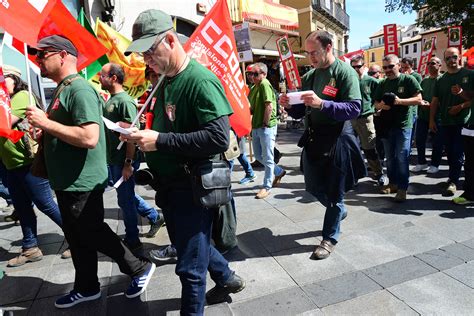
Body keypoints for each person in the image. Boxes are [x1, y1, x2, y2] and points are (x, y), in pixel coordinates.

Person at [122, 10, 245, 314]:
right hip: (170, 187)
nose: (146, 59)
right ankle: (227, 278)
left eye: (151, 51)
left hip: (192, 188)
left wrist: (160, 141)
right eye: (142, 53)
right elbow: (167, 127)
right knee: (189, 245)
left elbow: (218, 138)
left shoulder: (200, 80)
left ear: (170, 39)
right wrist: (140, 136)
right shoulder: (164, 81)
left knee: (189, 270)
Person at [25, 35, 155, 308]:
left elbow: (89, 137)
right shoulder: (63, 89)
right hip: (66, 180)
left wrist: (46, 125)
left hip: (81, 180)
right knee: (77, 237)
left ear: (62, 55)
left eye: (42, 54)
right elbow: (67, 133)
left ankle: (138, 268)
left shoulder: (80, 89)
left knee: (92, 232)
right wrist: (43, 133)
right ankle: (87, 287)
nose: (38, 61)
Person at [280, 30, 365, 260]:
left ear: (328, 48)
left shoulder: (345, 72)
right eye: (307, 54)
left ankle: (329, 238)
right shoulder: (310, 76)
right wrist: (288, 104)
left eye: (314, 52)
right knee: (313, 186)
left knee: (335, 192)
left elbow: (354, 109)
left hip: (338, 137)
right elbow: (300, 111)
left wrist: (323, 104)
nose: (311, 58)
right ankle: (338, 210)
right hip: (314, 138)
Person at [1, 65, 68, 267]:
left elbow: (5, 122)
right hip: (10, 164)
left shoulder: (22, 97)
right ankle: (30, 248)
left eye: (4, 80)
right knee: (22, 207)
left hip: (28, 163)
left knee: (45, 204)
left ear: (14, 79)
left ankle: (78, 238)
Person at [99, 62, 164, 253]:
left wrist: (128, 162)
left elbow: (131, 135)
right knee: (126, 195)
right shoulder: (110, 100)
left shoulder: (124, 101)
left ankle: (132, 239)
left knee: (124, 201)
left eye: (102, 75)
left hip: (123, 160)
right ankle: (154, 216)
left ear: (113, 78)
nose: (99, 78)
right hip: (113, 159)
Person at [374, 54, 422, 202]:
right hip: (387, 126)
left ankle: (402, 188)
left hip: (403, 126)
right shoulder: (382, 83)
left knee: (402, 157)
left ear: (399, 65)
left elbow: (419, 99)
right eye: (385, 67)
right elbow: (375, 102)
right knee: (390, 158)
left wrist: (400, 101)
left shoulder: (408, 80)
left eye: (391, 66)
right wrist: (381, 106)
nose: (388, 70)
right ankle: (393, 184)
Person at [430, 47, 473, 196]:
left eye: (454, 57)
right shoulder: (441, 79)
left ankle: (454, 181)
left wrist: (461, 101)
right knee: (449, 152)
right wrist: (431, 120)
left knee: (458, 151)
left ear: (459, 57)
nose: (451, 61)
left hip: (464, 122)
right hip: (445, 121)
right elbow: (435, 101)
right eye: (447, 58)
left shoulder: (469, 74)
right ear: (444, 60)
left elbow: (472, 99)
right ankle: (452, 178)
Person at [248, 62, 286, 199]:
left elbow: (269, 106)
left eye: (255, 74)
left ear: (263, 74)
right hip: (257, 126)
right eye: (250, 74)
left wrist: (265, 123)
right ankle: (279, 171)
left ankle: (266, 186)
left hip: (265, 126)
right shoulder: (254, 87)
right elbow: (251, 108)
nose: (252, 76)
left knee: (268, 157)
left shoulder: (264, 84)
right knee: (258, 156)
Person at [349, 55, 385, 185]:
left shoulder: (372, 81)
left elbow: (380, 97)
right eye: (353, 67)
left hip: (366, 118)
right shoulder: (349, 80)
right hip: (350, 118)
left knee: (369, 147)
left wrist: (378, 108)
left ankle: (379, 173)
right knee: (351, 149)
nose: (356, 69)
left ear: (364, 66)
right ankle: (354, 175)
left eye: (358, 66)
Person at [412, 57, 443, 174]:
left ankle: (435, 164)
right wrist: (422, 102)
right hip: (423, 115)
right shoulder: (424, 81)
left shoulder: (443, 79)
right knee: (419, 140)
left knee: (437, 142)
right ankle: (422, 162)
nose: (430, 65)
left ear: (440, 65)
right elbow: (421, 96)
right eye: (428, 63)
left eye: (433, 63)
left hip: (438, 116)